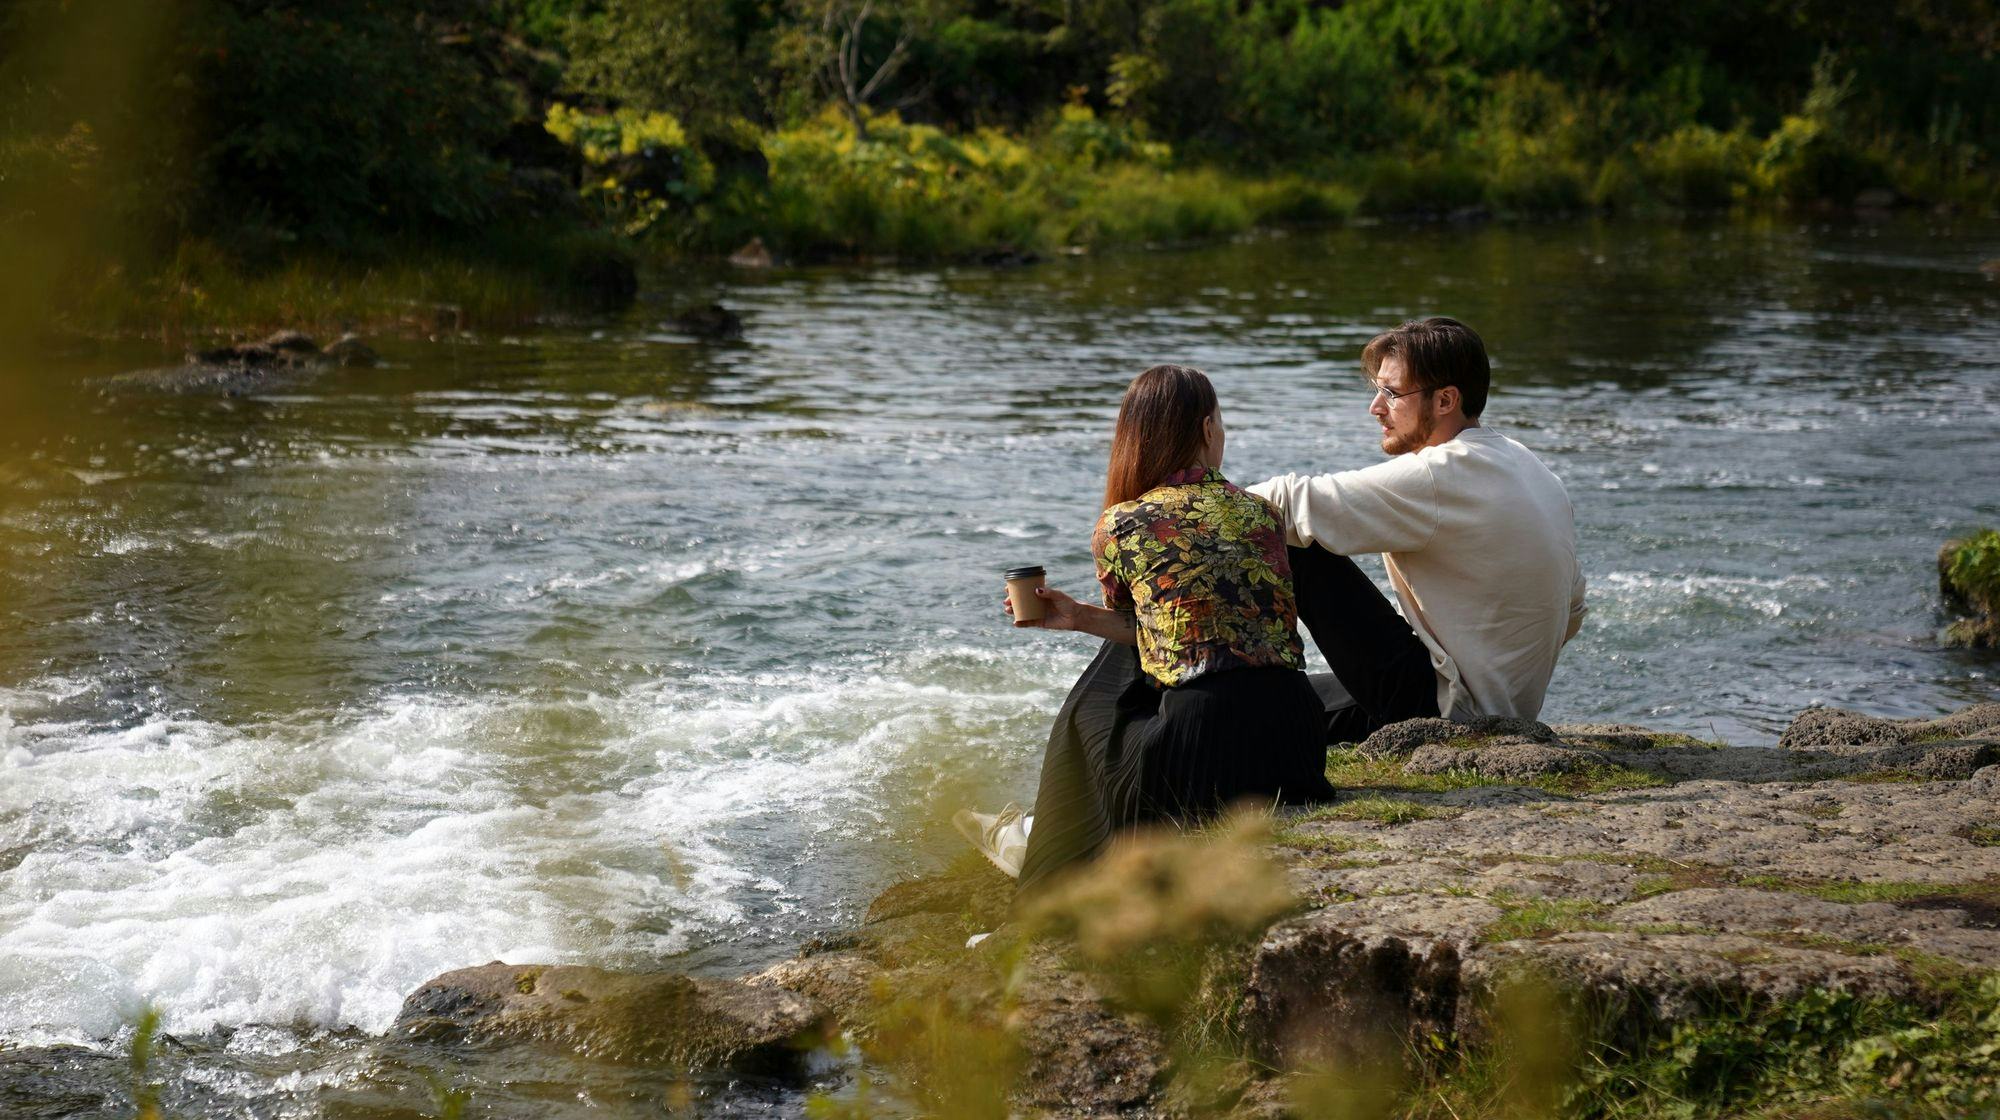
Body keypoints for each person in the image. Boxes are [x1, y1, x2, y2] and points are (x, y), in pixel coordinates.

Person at [958, 365, 1334, 890]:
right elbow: (1196, 634)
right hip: (1295, 747)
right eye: (1221, 423)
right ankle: (1040, 839)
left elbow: (1152, 639)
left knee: (1090, 704)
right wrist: (1082, 618)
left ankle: (1045, 862)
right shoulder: (1262, 514)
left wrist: (1087, 620)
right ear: (1206, 429)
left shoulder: (1122, 524)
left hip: (1198, 757)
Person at [1247, 317, 1585, 741]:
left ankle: (1217, 664)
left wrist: (1161, 510)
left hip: (1445, 710)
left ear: (1445, 400)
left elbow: (1287, 500)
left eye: (1391, 393)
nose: (1376, 407)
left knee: (1289, 535)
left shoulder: (1441, 473)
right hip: (1480, 700)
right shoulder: (1532, 469)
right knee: (1271, 712)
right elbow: (1572, 609)